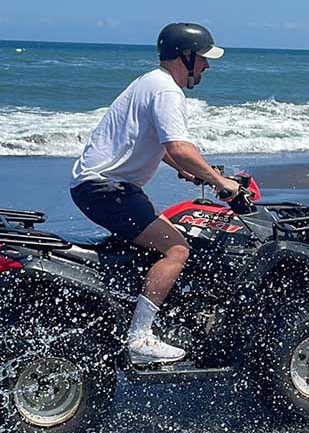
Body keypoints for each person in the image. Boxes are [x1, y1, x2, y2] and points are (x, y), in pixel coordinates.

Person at [69, 23, 241, 364]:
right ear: (186, 57)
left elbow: (155, 142)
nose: (207, 66)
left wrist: (186, 170)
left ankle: (130, 308)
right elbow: (179, 145)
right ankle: (140, 336)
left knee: (155, 239)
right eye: (204, 59)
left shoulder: (149, 82)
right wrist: (221, 183)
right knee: (177, 248)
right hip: (109, 189)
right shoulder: (168, 92)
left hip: (99, 187)